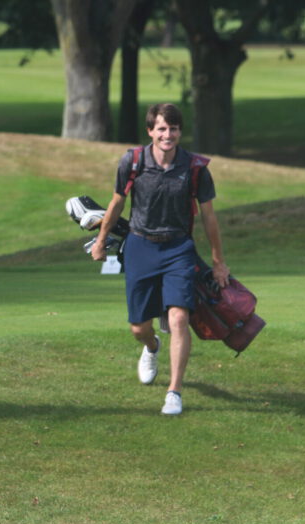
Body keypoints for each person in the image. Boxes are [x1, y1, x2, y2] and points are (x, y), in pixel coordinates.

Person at [91, 103, 229, 416]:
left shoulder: (195, 167)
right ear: (151, 131)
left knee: (180, 318)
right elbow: (116, 203)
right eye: (162, 129)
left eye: (174, 129)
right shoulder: (133, 161)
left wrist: (219, 261)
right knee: (139, 327)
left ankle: (174, 392)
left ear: (180, 132)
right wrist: (101, 241)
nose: (168, 135)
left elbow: (209, 219)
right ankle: (152, 346)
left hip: (179, 249)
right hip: (140, 246)